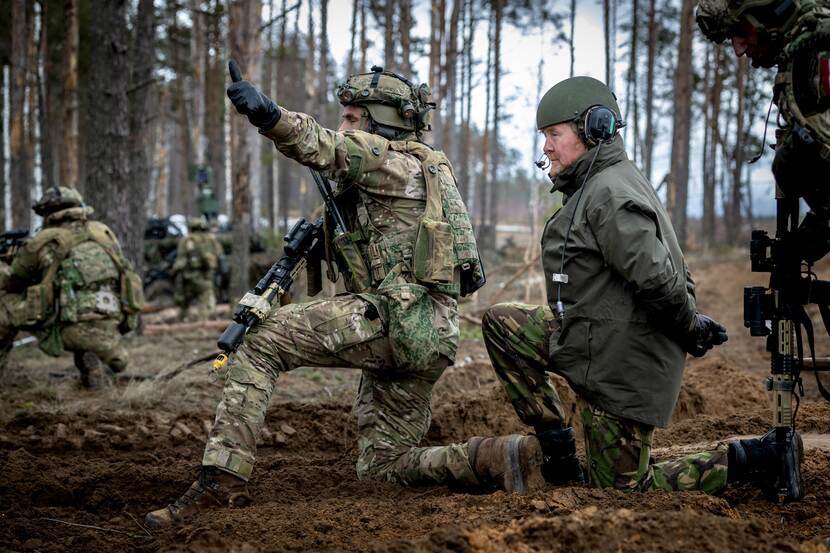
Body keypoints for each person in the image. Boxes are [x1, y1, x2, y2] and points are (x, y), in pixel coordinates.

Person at [144, 64, 542, 529]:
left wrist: (270, 115)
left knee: (260, 340)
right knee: (383, 467)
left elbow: (324, 146)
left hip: (396, 320)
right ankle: (492, 457)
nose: (344, 126)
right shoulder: (420, 171)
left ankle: (219, 485)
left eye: (353, 118)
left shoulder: (392, 162)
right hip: (428, 336)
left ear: (381, 123)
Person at [481, 76, 801, 500]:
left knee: (619, 490)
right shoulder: (599, 184)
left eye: (554, 135)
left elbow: (656, 277)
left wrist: (691, 327)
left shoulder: (608, 194)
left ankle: (756, 459)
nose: (546, 147)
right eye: (544, 137)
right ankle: (558, 452)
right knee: (502, 324)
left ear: (593, 129)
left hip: (622, 363)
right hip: (592, 333)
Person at [0, 187, 144, 388]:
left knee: (5, 308)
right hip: (112, 328)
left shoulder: (45, 240)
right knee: (81, 303)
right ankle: (99, 368)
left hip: (71, 330)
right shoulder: (103, 232)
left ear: (47, 213)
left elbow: (14, 281)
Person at [172, 216, 223, 321]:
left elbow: (180, 259)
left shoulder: (186, 240)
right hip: (205, 276)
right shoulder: (211, 239)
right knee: (204, 299)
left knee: (184, 302)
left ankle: (182, 321)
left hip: (188, 276)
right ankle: (202, 323)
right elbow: (219, 254)